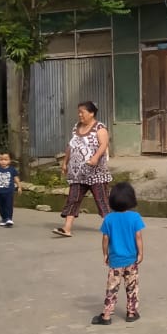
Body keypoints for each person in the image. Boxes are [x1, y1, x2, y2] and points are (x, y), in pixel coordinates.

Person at [53, 100, 111, 237]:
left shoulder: (100, 128)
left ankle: (112, 227)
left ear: (91, 113)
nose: (79, 115)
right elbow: (71, 146)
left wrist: (95, 158)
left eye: (82, 112)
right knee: (73, 199)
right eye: (78, 112)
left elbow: (104, 144)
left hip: (96, 173)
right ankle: (66, 228)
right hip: (77, 173)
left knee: (101, 200)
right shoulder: (76, 127)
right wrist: (65, 162)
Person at [92, 182, 145, 326]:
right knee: (132, 286)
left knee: (112, 288)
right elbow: (138, 237)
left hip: (115, 261)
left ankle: (107, 315)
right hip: (131, 260)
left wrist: (105, 254)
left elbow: (105, 238)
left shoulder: (109, 218)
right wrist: (141, 253)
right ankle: (131, 312)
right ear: (131, 199)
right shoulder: (135, 217)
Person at [0, 151, 20, 227]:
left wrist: (19, 186)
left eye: (6, 159)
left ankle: (9, 218)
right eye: (1, 159)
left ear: (10, 160)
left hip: (9, 191)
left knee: (8, 205)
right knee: (0, 206)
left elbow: (16, 178)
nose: (3, 161)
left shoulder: (12, 169)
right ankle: (4, 219)